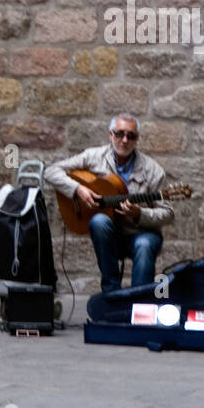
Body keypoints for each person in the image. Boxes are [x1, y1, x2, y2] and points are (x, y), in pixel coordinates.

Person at [44, 114, 174, 294]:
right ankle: (111, 295)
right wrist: (77, 189)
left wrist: (139, 214)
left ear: (137, 139)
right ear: (110, 135)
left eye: (131, 136)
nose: (125, 140)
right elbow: (50, 171)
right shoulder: (93, 156)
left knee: (144, 245)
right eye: (120, 134)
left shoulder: (153, 170)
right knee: (99, 221)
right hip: (109, 234)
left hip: (141, 233)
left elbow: (167, 213)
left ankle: (139, 302)